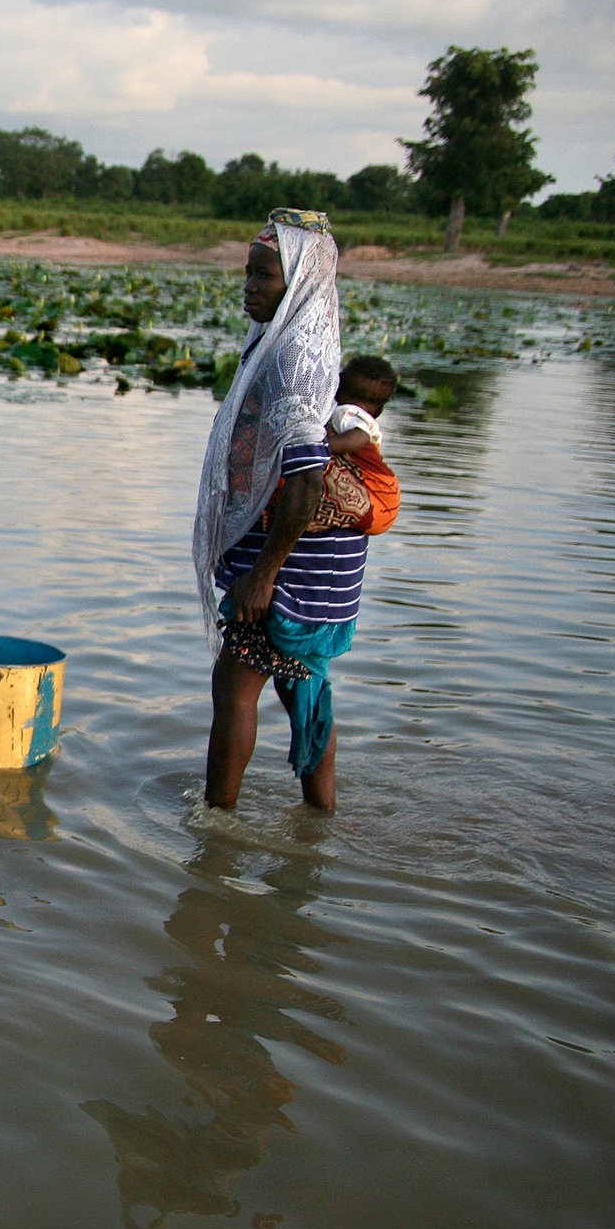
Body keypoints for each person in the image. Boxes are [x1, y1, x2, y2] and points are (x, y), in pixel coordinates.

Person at [194, 209, 363, 813]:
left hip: (287, 573)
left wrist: (263, 574)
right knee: (302, 687)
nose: (250, 286)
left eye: (265, 275)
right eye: (249, 272)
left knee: (235, 691)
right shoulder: (288, 339)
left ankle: (216, 827)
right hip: (315, 571)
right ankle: (320, 819)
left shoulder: (295, 359)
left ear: (297, 283)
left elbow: (307, 481)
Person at [313, 354, 402, 536]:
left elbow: (359, 437)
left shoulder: (348, 412)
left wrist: (317, 447)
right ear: (380, 410)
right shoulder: (366, 418)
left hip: (376, 500)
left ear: (336, 389)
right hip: (384, 503)